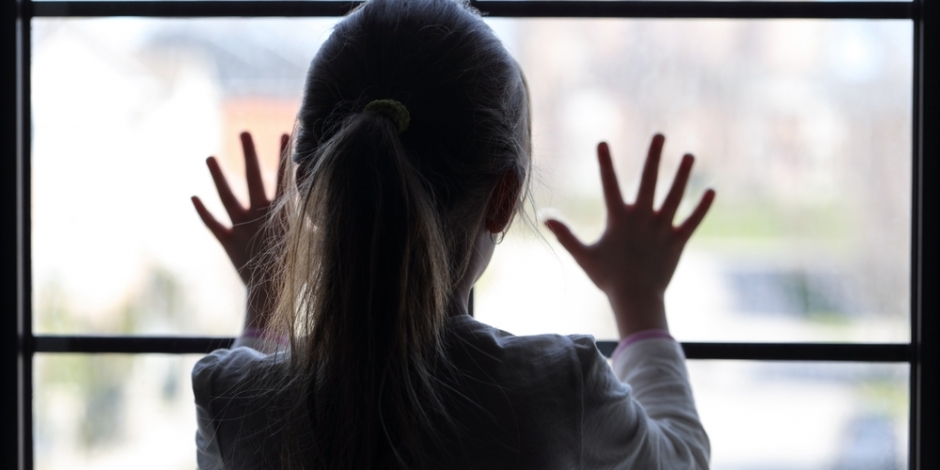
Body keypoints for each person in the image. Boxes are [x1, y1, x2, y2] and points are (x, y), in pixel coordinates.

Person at [190, 0, 715, 468]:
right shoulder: (556, 389)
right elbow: (680, 459)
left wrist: (266, 295)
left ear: (305, 187)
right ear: (504, 198)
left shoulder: (228, 400)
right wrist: (639, 298)